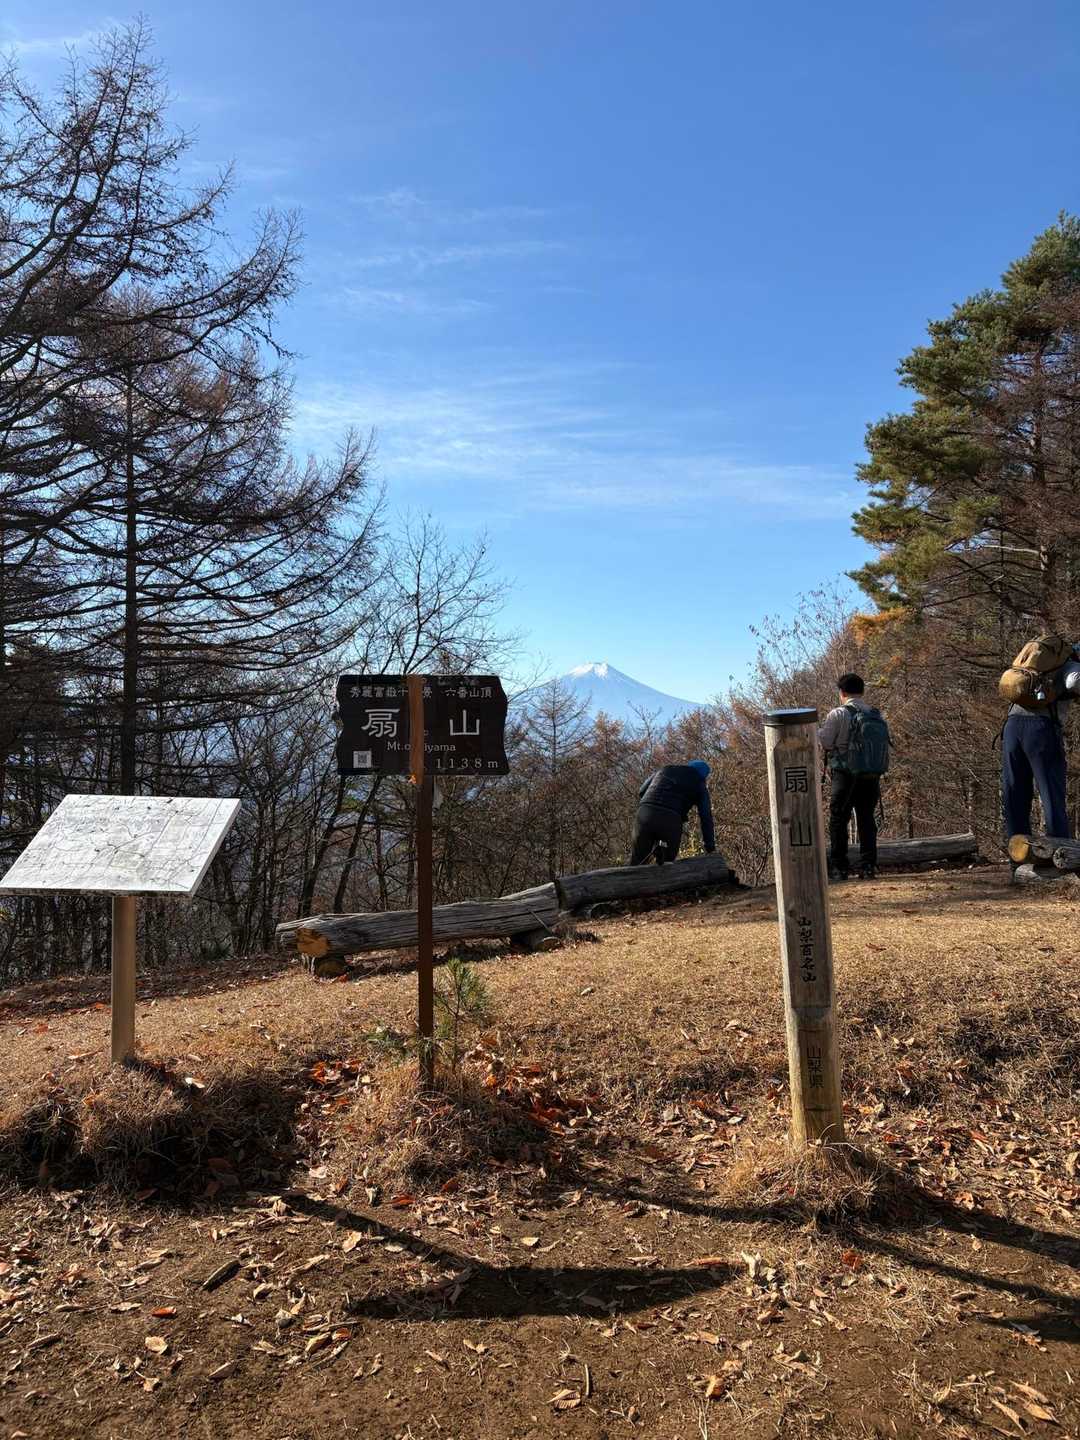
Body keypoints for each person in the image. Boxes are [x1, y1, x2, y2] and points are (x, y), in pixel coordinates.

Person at [1002, 645, 1078, 844]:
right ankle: (1060, 851)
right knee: (1051, 792)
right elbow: (1073, 681)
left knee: (1014, 793)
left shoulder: (1038, 662)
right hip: (1040, 729)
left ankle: (1017, 853)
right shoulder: (1070, 664)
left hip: (1011, 726)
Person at [818, 672, 889, 881]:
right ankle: (868, 866)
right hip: (870, 774)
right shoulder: (875, 714)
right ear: (862, 691)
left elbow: (826, 743)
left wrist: (815, 732)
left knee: (839, 819)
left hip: (845, 774)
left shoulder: (838, 714)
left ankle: (839, 867)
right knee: (867, 818)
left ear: (842, 692)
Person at [629, 760, 715, 865]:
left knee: (637, 862)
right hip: (671, 820)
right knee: (667, 864)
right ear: (703, 776)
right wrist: (710, 847)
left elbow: (641, 791)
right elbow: (706, 817)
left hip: (644, 814)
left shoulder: (665, 769)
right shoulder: (699, 784)